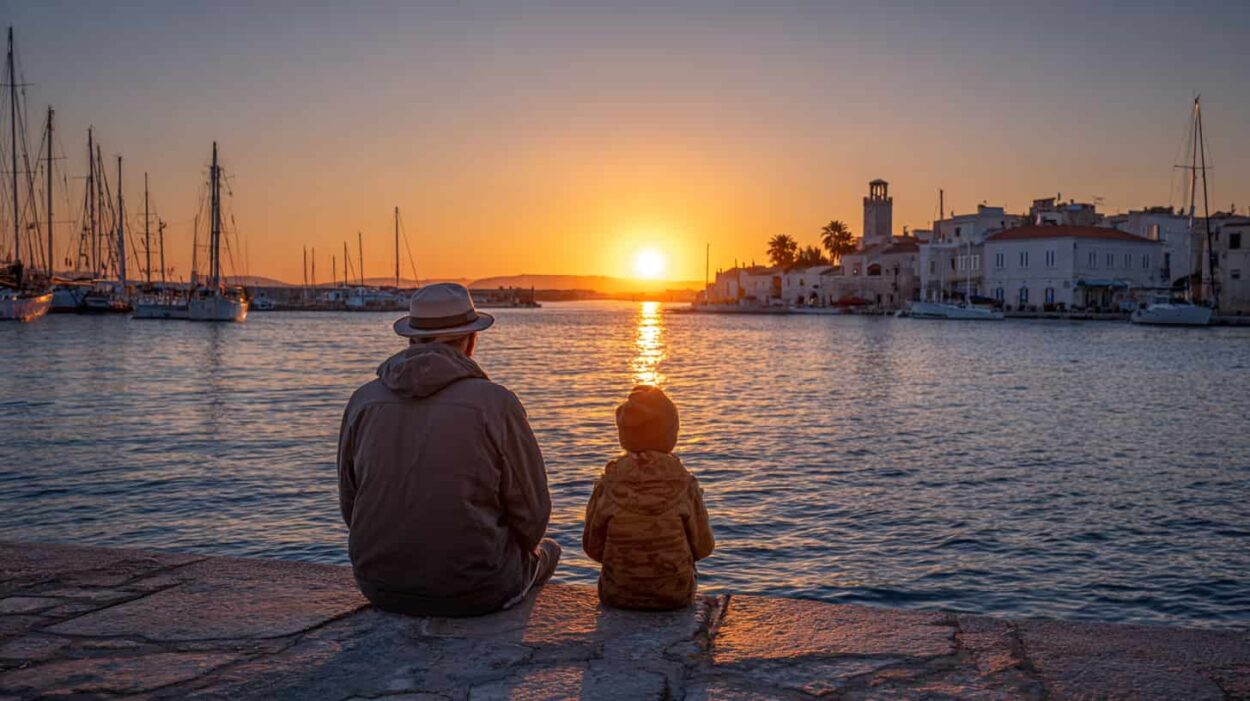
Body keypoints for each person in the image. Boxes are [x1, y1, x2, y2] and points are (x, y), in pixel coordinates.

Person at [337, 282, 560, 617]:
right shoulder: (496, 404)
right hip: (477, 590)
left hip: (379, 585)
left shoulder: (363, 400)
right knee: (550, 550)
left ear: (411, 339)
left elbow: (351, 507)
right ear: (470, 341)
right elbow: (533, 515)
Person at [582, 385, 714, 610]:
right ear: (670, 435)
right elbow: (703, 547)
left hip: (616, 596)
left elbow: (592, 548)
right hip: (675, 597)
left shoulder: (608, 484)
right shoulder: (685, 484)